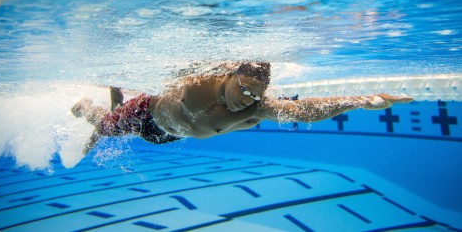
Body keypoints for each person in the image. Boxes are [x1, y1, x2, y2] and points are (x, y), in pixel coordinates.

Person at [72, 62, 413, 152]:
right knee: (103, 128)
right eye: (244, 90)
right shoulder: (196, 81)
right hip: (148, 112)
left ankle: (109, 105)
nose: (247, 100)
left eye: (256, 95)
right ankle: (85, 107)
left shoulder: (255, 107)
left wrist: (361, 101)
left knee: (110, 132)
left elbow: (300, 111)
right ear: (230, 75)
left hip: (169, 134)